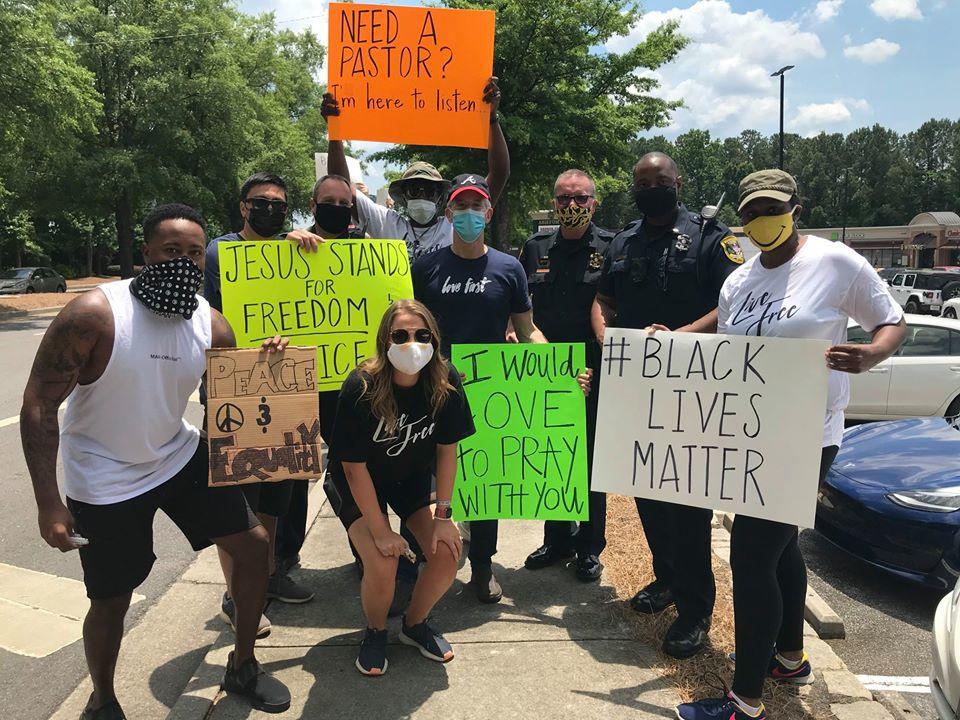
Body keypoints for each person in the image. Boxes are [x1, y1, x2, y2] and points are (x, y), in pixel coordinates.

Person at [21, 204, 292, 717]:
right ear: (144, 254)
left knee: (254, 547)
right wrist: (48, 503)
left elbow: (226, 401)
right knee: (112, 596)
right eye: (171, 251)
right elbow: (38, 405)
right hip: (105, 474)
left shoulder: (211, 324)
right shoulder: (95, 314)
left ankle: (243, 665)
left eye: (194, 253)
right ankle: (102, 699)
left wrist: (266, 366)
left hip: (176, 454)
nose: (184, 262)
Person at [676, 170, 905, 720]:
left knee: (752, 556)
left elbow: (890, 320)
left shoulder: (834, 261)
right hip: (751, 433)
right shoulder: (741, 280)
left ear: (796, 208)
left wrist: (873, 354)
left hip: (807, 434)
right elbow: (722, 332)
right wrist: (671, 340)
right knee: (782, 551)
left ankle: (745, 701)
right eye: (751, 212)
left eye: (772, 208)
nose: (762, 220)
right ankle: (790, 657)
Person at [592, 151, 745, 659]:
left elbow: (734, 304)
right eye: (641, 182)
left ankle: (696, 608)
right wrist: (610, 338)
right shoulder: (624, 240)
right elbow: (604, 300)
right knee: (648, 493)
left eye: (659, 181)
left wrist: (675, 341)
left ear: (678, 183)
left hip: (692, 394)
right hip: (637, 389)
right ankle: (667, 580)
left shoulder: (709, 239)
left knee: (688, 505)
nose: (650, 188)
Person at [413, 173, 592, 602]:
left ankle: (482, 566)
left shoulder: (509, 268)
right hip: (434, 387)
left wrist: (560, 371)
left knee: (485, 481)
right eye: (461, 206)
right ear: (449, 212)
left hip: (489, 390)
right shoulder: (426, 268)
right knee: (426, 478)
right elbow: (411, 327)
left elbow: (527, 330)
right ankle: (422, 563)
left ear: (488, 214)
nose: (469, 214)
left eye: (477, 207)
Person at [325, 300, 475, 676]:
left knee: (446, 552)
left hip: (409, 476)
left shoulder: (445, 379)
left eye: (422, 335)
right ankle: (375, 631)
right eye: (401, 335)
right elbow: (352, 467)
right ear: (384, 340)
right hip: (358, 480)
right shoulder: (361, 385)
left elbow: (447, 451)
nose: (412, 343)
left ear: (434, 340)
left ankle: (414, 624)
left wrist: (443, 516)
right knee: (382, 558)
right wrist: (381, 531)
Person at [204, 172, 320, 634]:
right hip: (235, 389)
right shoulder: (221, 252)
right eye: (262, 202)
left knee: (276, 492)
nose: (271, 209)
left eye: (279, 204)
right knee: (238, 499)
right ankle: (236, 594)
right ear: (243, 207)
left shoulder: (289, 249)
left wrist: (296, 245)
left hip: (286, 388)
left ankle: (266, 577)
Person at [518, 169, 614, 582]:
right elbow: (519, 307)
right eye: (563, 200)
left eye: (580, 199)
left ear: (594, 203)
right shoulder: (535, 247)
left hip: (595, 370)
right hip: (546, 369)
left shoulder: (611, 247)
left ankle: (589, 547)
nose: (571, 207)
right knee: (551, 457)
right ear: (553, 203)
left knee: (591, 460)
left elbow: (613, 307)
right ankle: (557, 539)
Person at [320, 77, 510, 261]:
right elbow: (340, 184)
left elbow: (500, 173)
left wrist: (492, 118)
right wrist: (335, 130)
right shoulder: (386, 223)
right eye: (414, 190)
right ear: (403, 196)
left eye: (429, 190)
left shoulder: (454, 224)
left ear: (441, 197)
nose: (421, 195)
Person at [275, 174, 358, 576]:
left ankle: (367, 550)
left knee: (354, 469)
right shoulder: (288, 247)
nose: (338, 209)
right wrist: (286, 244)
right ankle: (285, 555)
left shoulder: (367, 253)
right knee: (292, 473)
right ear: (313, 203)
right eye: (330, 201)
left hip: (352, 386)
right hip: (300, 381)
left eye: (345, 203)